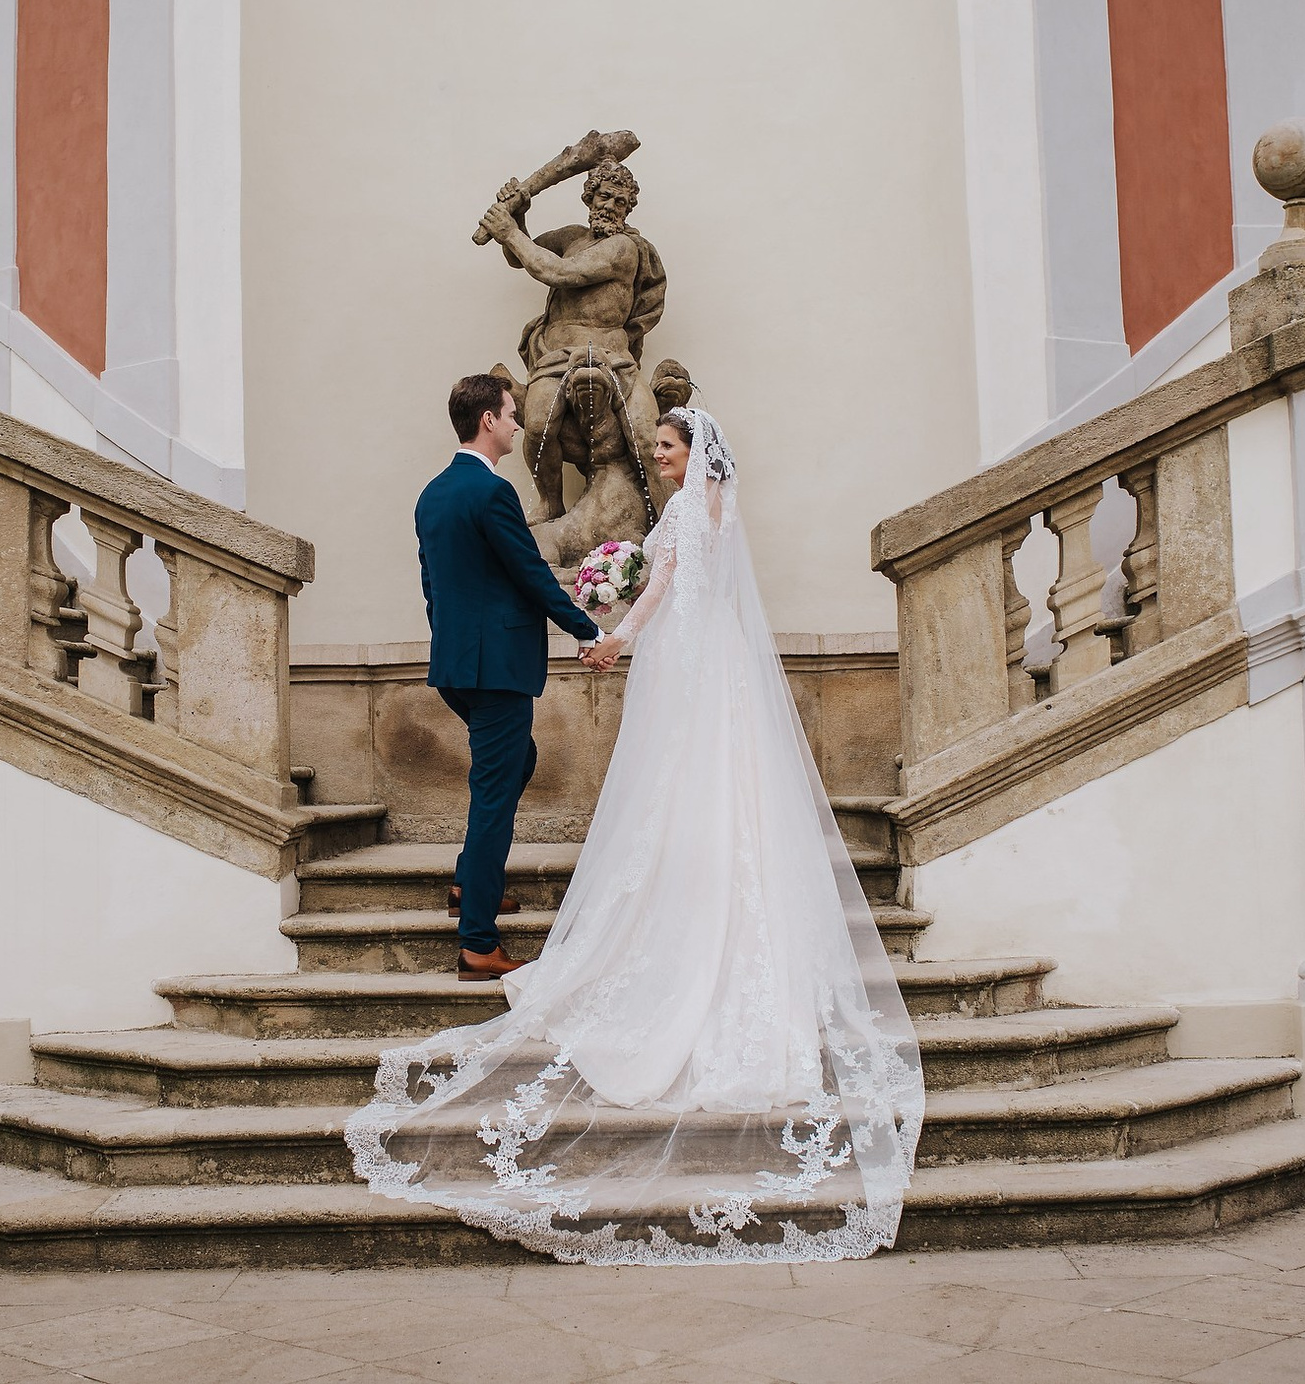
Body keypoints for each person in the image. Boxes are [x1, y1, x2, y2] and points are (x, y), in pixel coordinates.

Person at [351, 405, 925, 1264]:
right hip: (700, 660)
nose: (655, 456)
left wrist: (608, 630)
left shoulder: (681, 511)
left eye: (666, 447)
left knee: (672, 788)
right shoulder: (704, 507)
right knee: (694, 792)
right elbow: (656, 577)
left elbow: (659, 587)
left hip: (678, 662)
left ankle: (514, 908)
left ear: (694, 455)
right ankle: (503, 903)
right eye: (654, 446)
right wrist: (605, 619)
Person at [416, 373, 607, 981]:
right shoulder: (491, 493)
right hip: (495, 668)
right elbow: (529, 572)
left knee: (513, 762)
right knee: (495, 791)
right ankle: (477, 940)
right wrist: (588, 631)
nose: (519, 423)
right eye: (510, 413)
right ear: (487, 422)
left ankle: (474, 882)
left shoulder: (433, 493)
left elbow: (433, 585)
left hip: (457, 664)